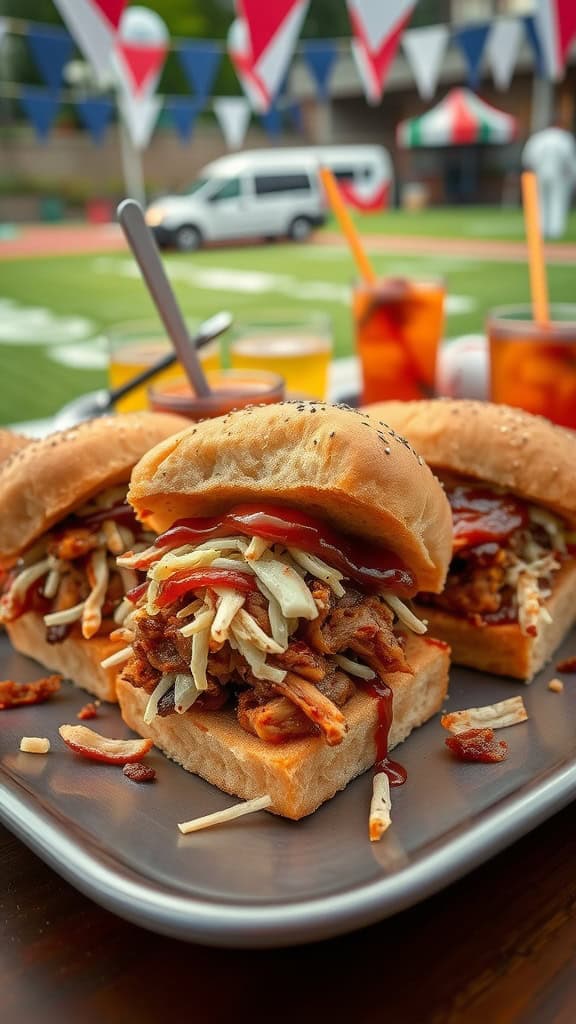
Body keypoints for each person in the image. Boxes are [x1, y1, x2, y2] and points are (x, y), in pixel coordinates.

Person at [522, 121, 576, 239]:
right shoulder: (564, 138)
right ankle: (555, 230)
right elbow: (569, 158)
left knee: (539, 202)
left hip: (539, 173)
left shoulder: (538, 138)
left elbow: (528, 158)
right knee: (557, 202)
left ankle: (540, 229)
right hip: (559, 175)